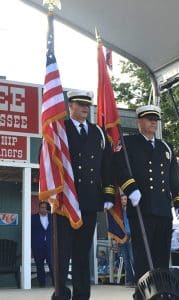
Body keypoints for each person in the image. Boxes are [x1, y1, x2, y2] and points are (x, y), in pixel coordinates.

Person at [114, 105, 179, 298]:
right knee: (143, 257)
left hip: (162, 209)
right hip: (142, 208)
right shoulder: (128, 143)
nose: (153, 122)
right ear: (139, 122)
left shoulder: (166, 147)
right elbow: (120, 168)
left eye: (155, 119)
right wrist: (131, 189)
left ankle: (161, 293)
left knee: (161, 256)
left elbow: (174, 177)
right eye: (149, 118)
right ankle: (142, 295)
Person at [54, 89, 115, 300]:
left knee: (82, 253)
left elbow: (107, 164)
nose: (85, 108)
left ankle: (82, 295)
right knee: (62, 252)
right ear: (70, 106)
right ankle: (61, 293)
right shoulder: (60, 128)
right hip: (65, 201)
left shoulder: (97, 132)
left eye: (87, 105)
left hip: (89, 200)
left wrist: (108, 194)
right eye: (80, 104)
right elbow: (47, 158)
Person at [31, 201, 53, 287]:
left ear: (47, 209)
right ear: (39, 208)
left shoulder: (52, 217)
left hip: (49, 246)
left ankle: (55, 285)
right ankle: (42, 286)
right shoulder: (33, 218)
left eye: (45, 207)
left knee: (52, 265)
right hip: (37, 246)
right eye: (41, 207)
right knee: (39, 266)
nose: (43, 209)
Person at [117, 192, 135, 286]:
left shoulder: (131, 210)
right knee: (126, 259)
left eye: (125, 199)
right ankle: (129, 280)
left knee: (133, 258)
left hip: (130, 235)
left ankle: (138, 278)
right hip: (122, 237)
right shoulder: (118, 212)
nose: (123, 201)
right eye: (122, 200)